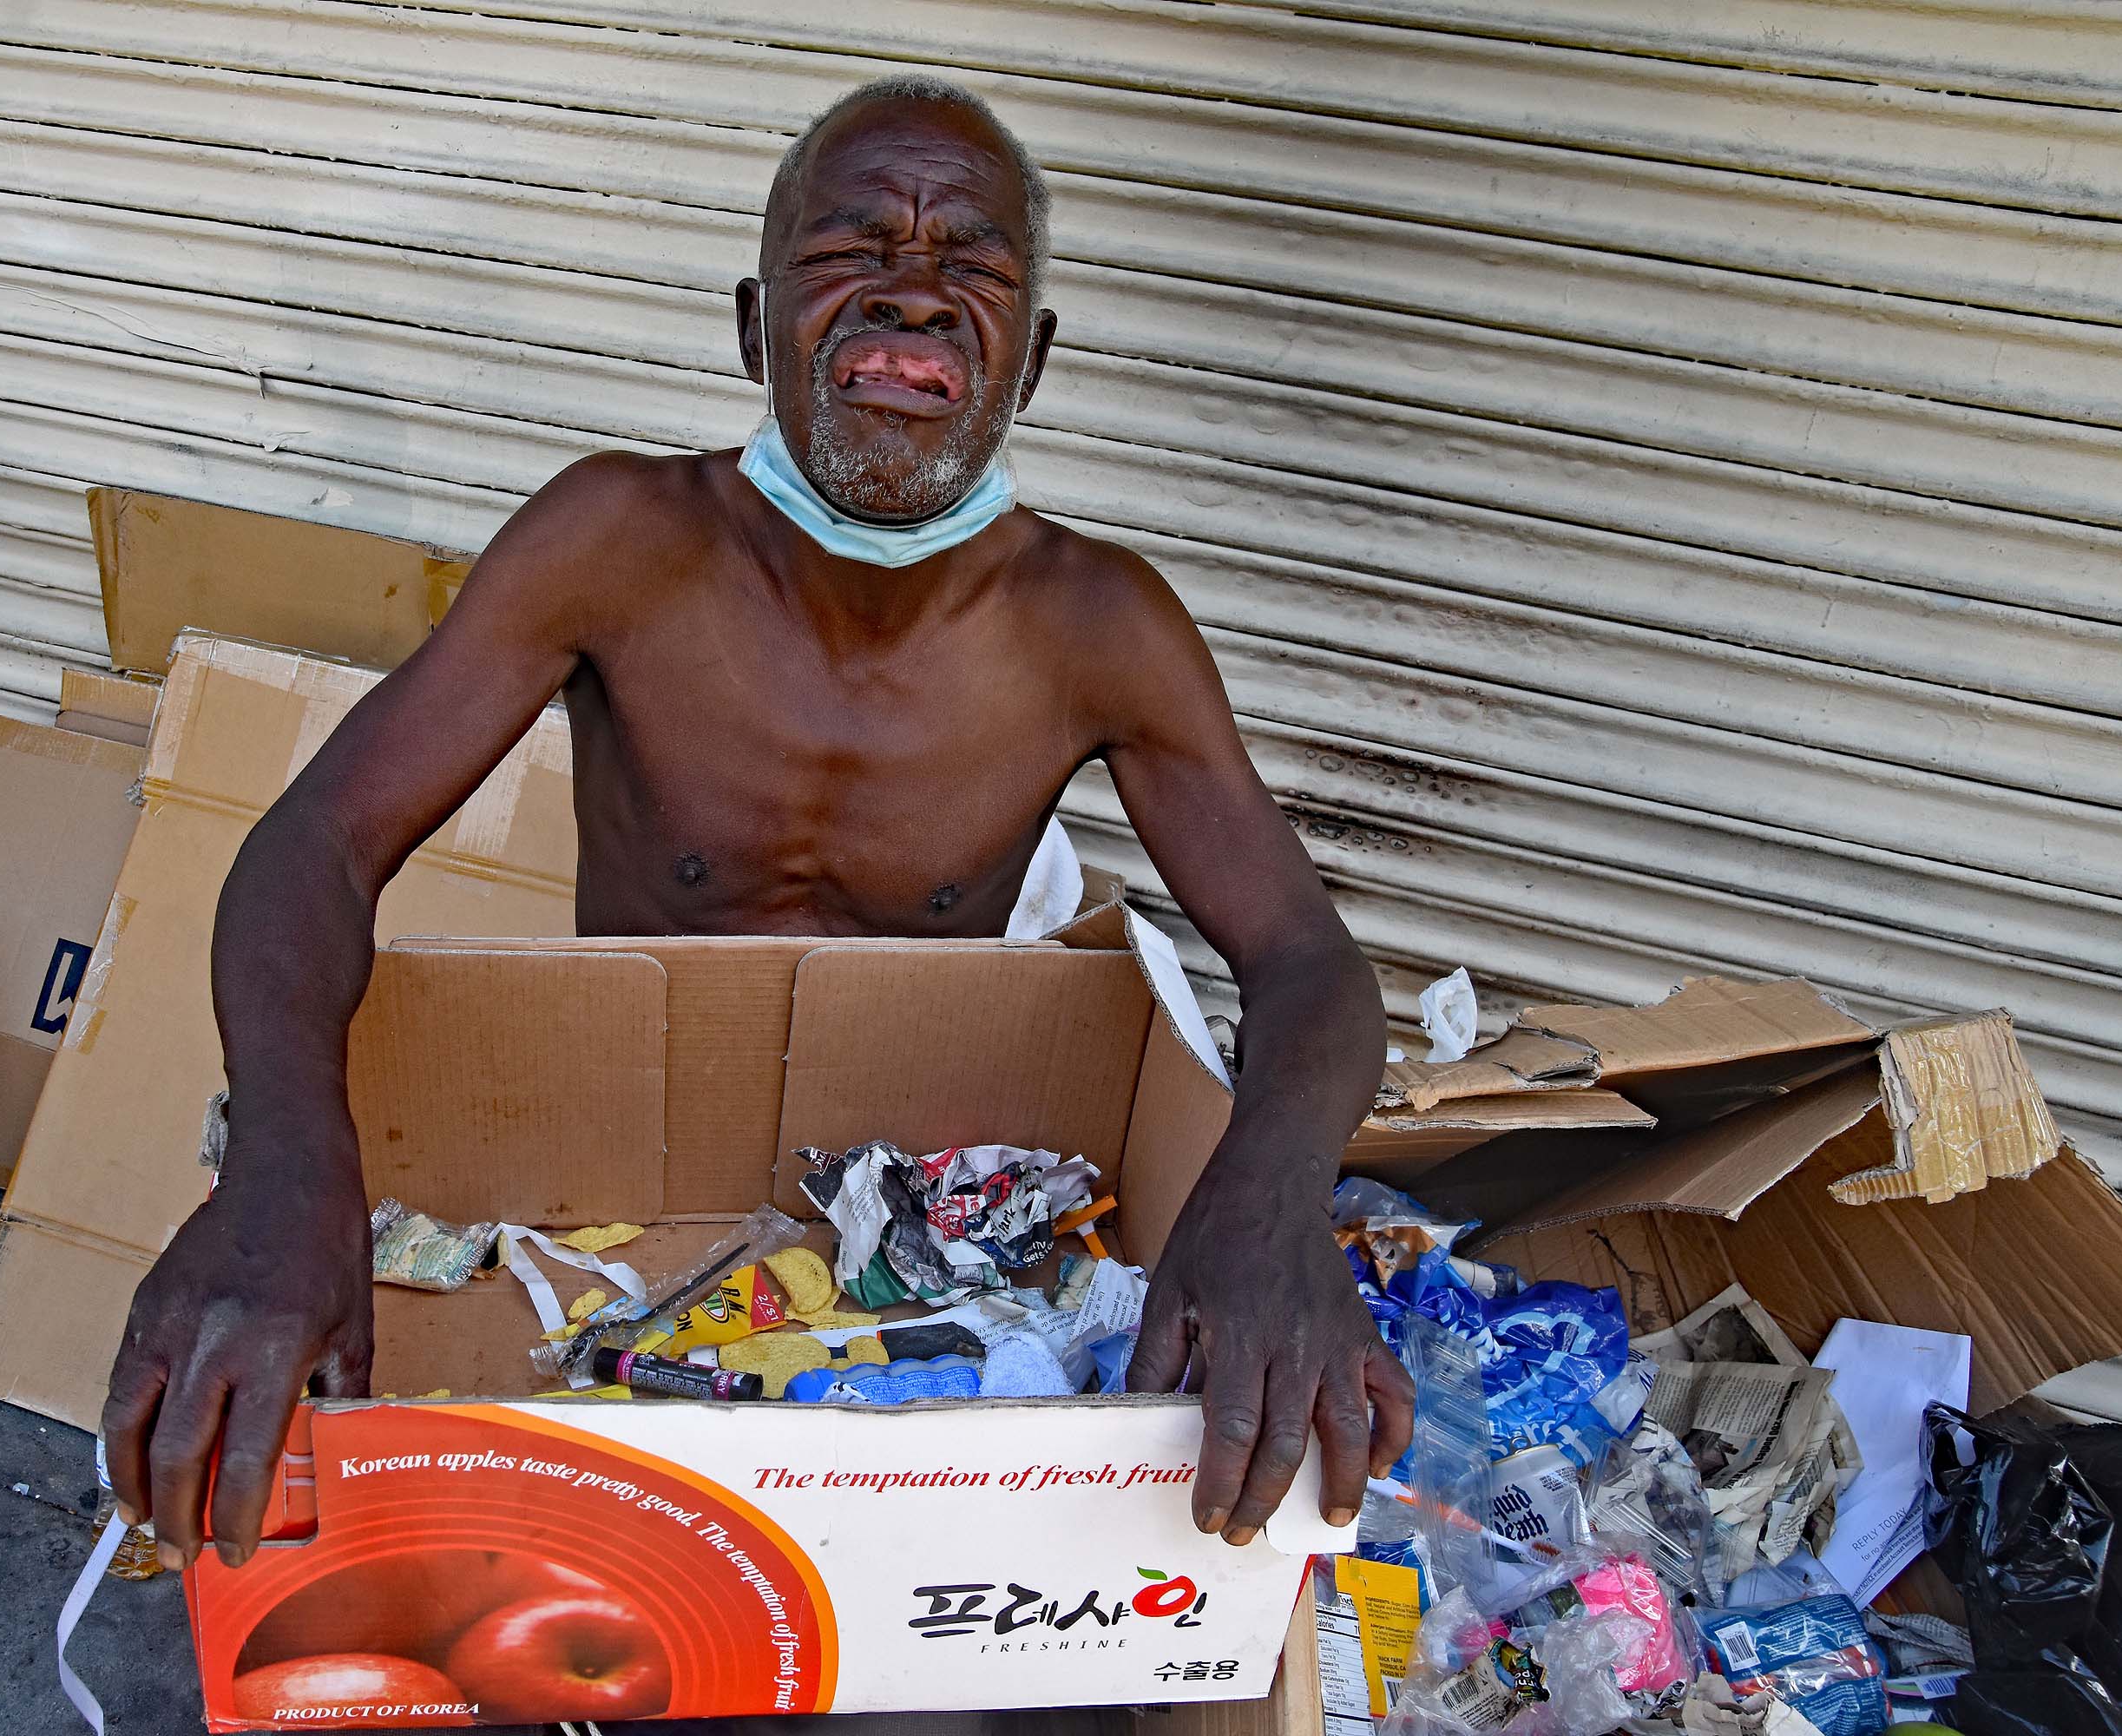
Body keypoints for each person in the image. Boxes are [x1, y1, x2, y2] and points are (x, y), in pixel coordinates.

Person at [102, 72, 1414, 1730]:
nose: (914, 279)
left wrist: (1273, 1197)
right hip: (620, 1207)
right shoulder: (618, 542)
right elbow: (315, 846)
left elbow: (1305, 957)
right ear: (751, 327)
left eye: (973, 260)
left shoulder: (1101, 626)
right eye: (849, 243)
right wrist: (286, 1166)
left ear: (1036, 356)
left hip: (908, 1256)